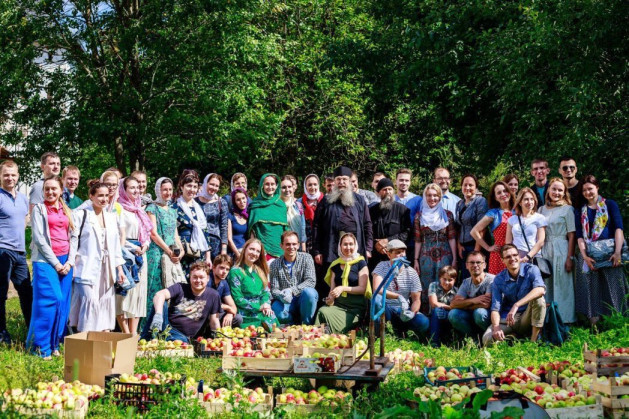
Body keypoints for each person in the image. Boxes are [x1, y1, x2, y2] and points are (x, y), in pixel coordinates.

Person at [27, 176, 77, 358]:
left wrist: (70, 261)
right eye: (46, 189)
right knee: (50, 300)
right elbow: (39, 239)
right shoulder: (39, 209)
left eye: (54, 188)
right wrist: (56, 263)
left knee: (62, 304)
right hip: (45, 261)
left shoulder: (67, 210)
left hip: (66, 261)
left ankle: (54, 344)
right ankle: (40, 347)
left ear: (61, 190)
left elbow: (74, 236)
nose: (50, 192)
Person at [69, 181, 126, 332]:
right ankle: (85, 335)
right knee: (90, 301)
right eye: (100, 195)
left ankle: (103, 335)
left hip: (106, 269)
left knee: (104, 302)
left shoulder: (111, 217)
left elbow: (115, 246)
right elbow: (73, 242)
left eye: (107, 196)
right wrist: (71, 263)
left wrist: (120, 269)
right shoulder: (81, 215)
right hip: (86, 266)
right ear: (91, 196)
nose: (104, 199)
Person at [312, 166, 373, 297]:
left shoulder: (359, 200)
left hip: (355, 247)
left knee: (356, 278)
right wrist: (317, 251)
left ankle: (356, 306)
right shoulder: (326, 201)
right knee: (331, 280)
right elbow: (316, 226)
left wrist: (368, 248)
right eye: (338, 179)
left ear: (350, 181)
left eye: (344, 179)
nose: (341, 182)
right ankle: (330, 303)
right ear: (334, 181)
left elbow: (367, 224)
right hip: (331, 248)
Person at [575, 175, 627, 325]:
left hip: (610, 254)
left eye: (590, 189)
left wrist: (617, 252)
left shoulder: (609, 204)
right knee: (592, 289)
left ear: (597, 187)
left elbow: (618, 228)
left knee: (614, 286)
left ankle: (618, 321)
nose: (587, 192)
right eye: (584, 190)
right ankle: (595, 324)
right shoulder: (580, 210)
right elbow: (580, 236)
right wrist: (584, 256)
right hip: (589, 256)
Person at [482, 244, 546, 346]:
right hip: (508, 320)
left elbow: (540, 290)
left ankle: (533, 341)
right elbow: (495, 308)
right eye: (508, 257)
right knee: (487, 339)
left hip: (527, 317)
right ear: (502, 260)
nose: (512, 259)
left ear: (519, 256)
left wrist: (516, 305)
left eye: (515, 255)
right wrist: (496, 327)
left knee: (539, 299)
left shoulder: (531, 269)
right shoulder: (499, 279)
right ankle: (515, 337)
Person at [144, 261, 221, 342]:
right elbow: (159, 294)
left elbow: (214, 321)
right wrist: (158, 315)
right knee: (161, 302)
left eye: (201, 277)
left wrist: (219, 339)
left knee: (181, 340)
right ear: (190, 277)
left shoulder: (214, 295)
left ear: (208, 278)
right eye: (195, 277)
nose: (198, 280)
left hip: (184, 337)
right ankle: (147, 338)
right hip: (167, 327)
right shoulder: (180, 287)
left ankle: (156, 339)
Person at [0, 160, 33, 344]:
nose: (10, 178)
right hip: (2, 251)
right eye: (6, 175)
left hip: (20, 252)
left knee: (27, 291)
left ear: (18, 176)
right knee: (1, 293)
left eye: (13, 175)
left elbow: (25, 220)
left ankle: (32, 331)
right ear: (0, 176)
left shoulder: (23, 198)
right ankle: (2, 333)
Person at [144, 177, 184, 325]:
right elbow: (153, 233)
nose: (167, 192)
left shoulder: (173, 211)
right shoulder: (152, 208)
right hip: (156, 254)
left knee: (169, 289)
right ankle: (148, 326)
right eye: (164, 190)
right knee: (154, 288)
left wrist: (181, 251)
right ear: (158, 190)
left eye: (170, 189)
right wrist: (168, 251)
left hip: (171, 255)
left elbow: (175, 235)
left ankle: (165, 325)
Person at [116, 176, 152, 335]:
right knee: (124, 294)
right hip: (126, 254)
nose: (136, 190)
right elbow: (117, 235)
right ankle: (126, 334)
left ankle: (134, 333)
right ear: (124, 190)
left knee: (138, 294)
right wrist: (133, 247)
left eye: (137, 187)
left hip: (141, 254)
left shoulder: (139, 210)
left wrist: (145, 246)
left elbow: (147, 233)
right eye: (132, 187)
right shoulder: (119, 209)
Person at [372, 240, 429, 339]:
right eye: (398, 252)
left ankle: (403, 332)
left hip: (402, 309)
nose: (401, 255)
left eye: (403, 252)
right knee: (376, 299)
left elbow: (416, 300)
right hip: (386, 308)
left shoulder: (411, 272)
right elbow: (377, 289)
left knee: (423, 322)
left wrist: (412, 313)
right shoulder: (382, 266)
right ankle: (380, 335)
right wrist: (398, 296)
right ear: (389, 254)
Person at [414, 183, 457, 312]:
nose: (432, 198)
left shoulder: (447, 215)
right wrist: (416, 260)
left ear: (440, 197)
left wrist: (455, 258)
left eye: (435, 195)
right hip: (425, 256)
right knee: (426, 284)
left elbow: (452, 237)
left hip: (445, 255)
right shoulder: (419, 216)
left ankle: (446, 314)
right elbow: (418, 240)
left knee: (445, 282)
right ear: (425, 197)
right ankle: (427, 316)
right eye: (429, 195)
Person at [538, 178, 576, 323]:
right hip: (545, 248)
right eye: (554, 189)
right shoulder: (541, 209)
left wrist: (570, 257)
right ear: (548, 190)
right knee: (546, 284)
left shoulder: (567, 209)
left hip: (561, 248)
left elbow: (571, 235)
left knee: (562, 284)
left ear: (564, 193)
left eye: (560, 190)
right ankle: (547, 320)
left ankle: (565, 320)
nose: (557, 192)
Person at [315, 233, 369, 333]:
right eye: (345, 244)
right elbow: (332, 290)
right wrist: (330, 299)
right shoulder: (335, 265)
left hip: (355, 308)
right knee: (322, 311)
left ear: (355, 245)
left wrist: (343, 288)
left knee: (332, 322)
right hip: (338, 306)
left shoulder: (361, 263)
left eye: (351, 244)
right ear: (340, 246)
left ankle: (332, 335)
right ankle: (319, 338)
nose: (348, 247)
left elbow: (362, 289)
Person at [226, 239, 278, 328]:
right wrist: (259, 307)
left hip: (262, 310)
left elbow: (265, 292)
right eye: (252, 249)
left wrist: (266, 305)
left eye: (258, 251)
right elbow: (238, 298)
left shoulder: (259, 271)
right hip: (244, 312)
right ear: (245, 249)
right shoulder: (235, 272)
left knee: (273, 325)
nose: (254, 253)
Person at [269, 231, 318, 325]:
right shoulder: (274, 264)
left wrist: (292, 290)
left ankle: (306, 324)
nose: (291, 247)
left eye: (294, 244)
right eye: (287, 244)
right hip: (285, 302)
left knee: (310, 293)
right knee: (276, 308)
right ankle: (292, 324)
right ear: (281, 246)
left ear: (298, 245)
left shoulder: (307, 258)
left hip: (303, 299)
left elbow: (311, 281)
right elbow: (274, 289)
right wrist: (281, 295)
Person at [172, 170, 212, 276]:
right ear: (182, 187)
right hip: (183, 253)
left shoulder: (199, 209)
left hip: (199, 253)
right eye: (189, 186)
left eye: (195, 187)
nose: (192, 189)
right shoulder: (174, 208)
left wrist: (208, 257)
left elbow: (205, 233)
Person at [471, 181, 515, 275]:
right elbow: (474, 231)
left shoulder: (517, 211)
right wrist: (488, 247)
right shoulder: (493, 213)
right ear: (495, 197)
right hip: (498, 255)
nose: (503, 194)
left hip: (515, 254)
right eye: (499, 193)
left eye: (505, 191)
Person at [448, 252, 494, 340]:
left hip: (489, 316)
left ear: (484, 265)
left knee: (479, 313)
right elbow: (453, 304)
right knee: (453, 314)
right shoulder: (466, 282)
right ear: (467, 265)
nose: (475, 265)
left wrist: (464, 305)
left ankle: (489, 338)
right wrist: (473, 300)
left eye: (478, 262)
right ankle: (473, 339)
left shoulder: (491, 280)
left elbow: (486, 304)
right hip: (472, 315)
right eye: (472, 262)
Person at [369, 177, 411, 271]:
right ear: (379, 192)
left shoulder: (403, 210)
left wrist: (388, 241)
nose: (388, 192)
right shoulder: (371, 211)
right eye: (384, 189)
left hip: (396, 256)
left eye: (390, 189)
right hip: (376, 257)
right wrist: (376, 244)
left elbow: (407, 233)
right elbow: (367, 232)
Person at [247, 174, 289, 259]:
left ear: (276, 186)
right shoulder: (256, 204)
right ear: (262, 185)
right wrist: (253, 248)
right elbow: (252, 230)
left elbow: (285, 229)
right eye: (267, 184)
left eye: (272, 184)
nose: (270, 187)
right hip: (262, 249)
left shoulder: (281, 205)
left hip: (279, 248)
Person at [455, 175, 489, 281]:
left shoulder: (480, 201)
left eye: (471, 185)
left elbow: (482, 227)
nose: (467, 188)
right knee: (466, 279)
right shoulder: (459, 204)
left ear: (476, 187)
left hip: (476, 246)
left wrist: (476, 251)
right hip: (463, 248)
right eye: (465, 185)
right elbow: (459, 226)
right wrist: (459, 245)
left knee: (477, 278)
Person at [506, 188, 547, 261]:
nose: (529, 202)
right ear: (520, 202)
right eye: (526, 199)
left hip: (533, 257)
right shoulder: (512, 219)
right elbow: (508, 242)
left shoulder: (540, 218)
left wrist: (528, 257)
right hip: (516, 258)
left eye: (532, 199)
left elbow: (541, 241)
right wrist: (513, 257)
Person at [196, 173, 228, 260]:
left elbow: (224, 227)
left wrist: (224, 250)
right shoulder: (195, 201)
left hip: (216, 246)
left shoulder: (221, 202)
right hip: (199, 243)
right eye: (211, 184)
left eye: (217, 186)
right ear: (205, 183)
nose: (214, 188)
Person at [209, 255, 243, 328]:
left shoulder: (223, 283)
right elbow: (208, 304)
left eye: (227, 269)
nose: (224, 272)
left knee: (238, 318)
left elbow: (233, 306)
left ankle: (223, 333)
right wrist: (228, 308)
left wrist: (230, 314)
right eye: (222, 268)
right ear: (213, 267)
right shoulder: (207, 280)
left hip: (217, 313)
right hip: (204, 313)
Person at [428, 266, 458, 347]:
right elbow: (434, 303)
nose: (447, 282)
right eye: (444, 279)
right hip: (434, 317)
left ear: (454, 280)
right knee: (437, 310)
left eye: (450, 280)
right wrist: (450, 307)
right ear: (440, 278)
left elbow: (457, 307)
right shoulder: (433, 285)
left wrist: (450, 308)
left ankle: (453, 340)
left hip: (449, 317)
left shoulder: (457, 291)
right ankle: (434, 342)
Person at [298, 174, 324, 254]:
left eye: (315, 184)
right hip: (305, 243)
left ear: (318, 185)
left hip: (322, 241)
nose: (313, 187)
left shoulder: (324, 201)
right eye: (309, 185)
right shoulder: (299, 202)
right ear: (305, 186)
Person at [280, 175, 307, 251]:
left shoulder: (298, 206)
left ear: (293, 188)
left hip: (297, 247)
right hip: (282, 248)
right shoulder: (276, 207)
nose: (287, 189)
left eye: (289, 187)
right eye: (284, 187)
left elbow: (302, 228)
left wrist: (303, 249)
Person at [227, 188, 248, 258]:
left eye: (243, 198)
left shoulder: (248, 215)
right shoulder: (230, 215)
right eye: (238, 200)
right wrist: (237, 254)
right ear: (234, 202)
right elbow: (229, 239)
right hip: (234, 252)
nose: (242, 201)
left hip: (246, 252)